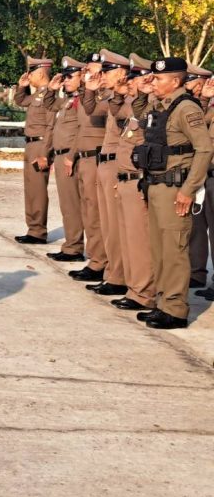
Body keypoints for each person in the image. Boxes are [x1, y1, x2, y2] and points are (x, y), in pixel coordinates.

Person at [132, 57, 213, 329]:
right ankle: (162, 303)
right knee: (160, 250)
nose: (153, 82)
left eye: (158, 79)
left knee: (175, 250)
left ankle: (176, 310)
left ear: (176, 81)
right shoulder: (160, 105)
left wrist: (189, 190)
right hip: (155, 186)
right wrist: (143, 93)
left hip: (176, 189)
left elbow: (204, 149)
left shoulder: (186, 108)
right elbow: (141, 120)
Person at [80, 50, 130, 296]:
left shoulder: (128, 99)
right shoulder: (112, 97)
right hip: (105, 162)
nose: (103, 76)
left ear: (120, 73)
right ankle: (111, 273)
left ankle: (118, 276)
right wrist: (90, 89)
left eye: (107, 72)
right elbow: (91, 110)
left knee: (116, 226)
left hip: (117, 164)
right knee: (107, 225)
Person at [109, 55, 156, 312]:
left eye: (133, 79)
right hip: (125, 178)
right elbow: (117, 113)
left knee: (139, 242)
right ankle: (134, 289)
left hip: (139, 181)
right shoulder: (135, 106)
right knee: (128, 240)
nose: (129, 83)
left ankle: (144, 293)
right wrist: (120, 93)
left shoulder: (153, 107)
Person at [68, 52, 108, 283]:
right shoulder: (88, 96)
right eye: (86, 70)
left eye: (93, 70)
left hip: (97, 159)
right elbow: (80, 130)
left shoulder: (108, 97)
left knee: (96, 214)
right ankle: (95, 259)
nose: (88, 74)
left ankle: (99, 262)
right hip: (84, 159)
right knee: (88, 212)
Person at [46, 59, 86, 262]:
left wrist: (71, 156)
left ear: (82, 77)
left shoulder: (82, 101)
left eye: (70, 76)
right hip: (62, 156)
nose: (66, 80)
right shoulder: (69, 100)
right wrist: (51, 90)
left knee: (72, 205)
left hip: (72, 158)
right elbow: (49, 105)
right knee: (67, 205)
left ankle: (74, 248)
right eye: (65, 77)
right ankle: (71, 245)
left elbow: (82, 131)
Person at [13, 56, 55, 244]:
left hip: (40, 146)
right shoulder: (38, 94)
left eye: (31, 73)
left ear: (41, 73)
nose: (28, 76)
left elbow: (50, 127)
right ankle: (32, 228)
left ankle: (38, 232)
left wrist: (45, 154)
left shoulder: (49, 95)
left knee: (38, 190)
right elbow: (21, 101)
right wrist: (21, 86)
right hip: (30, 144)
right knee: (31, 190)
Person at [185, 64, 214, 296]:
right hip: (203, 173)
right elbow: (198, 127)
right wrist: (203, 100)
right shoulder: (208, 106)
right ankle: (196, 273)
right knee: (196, 225)